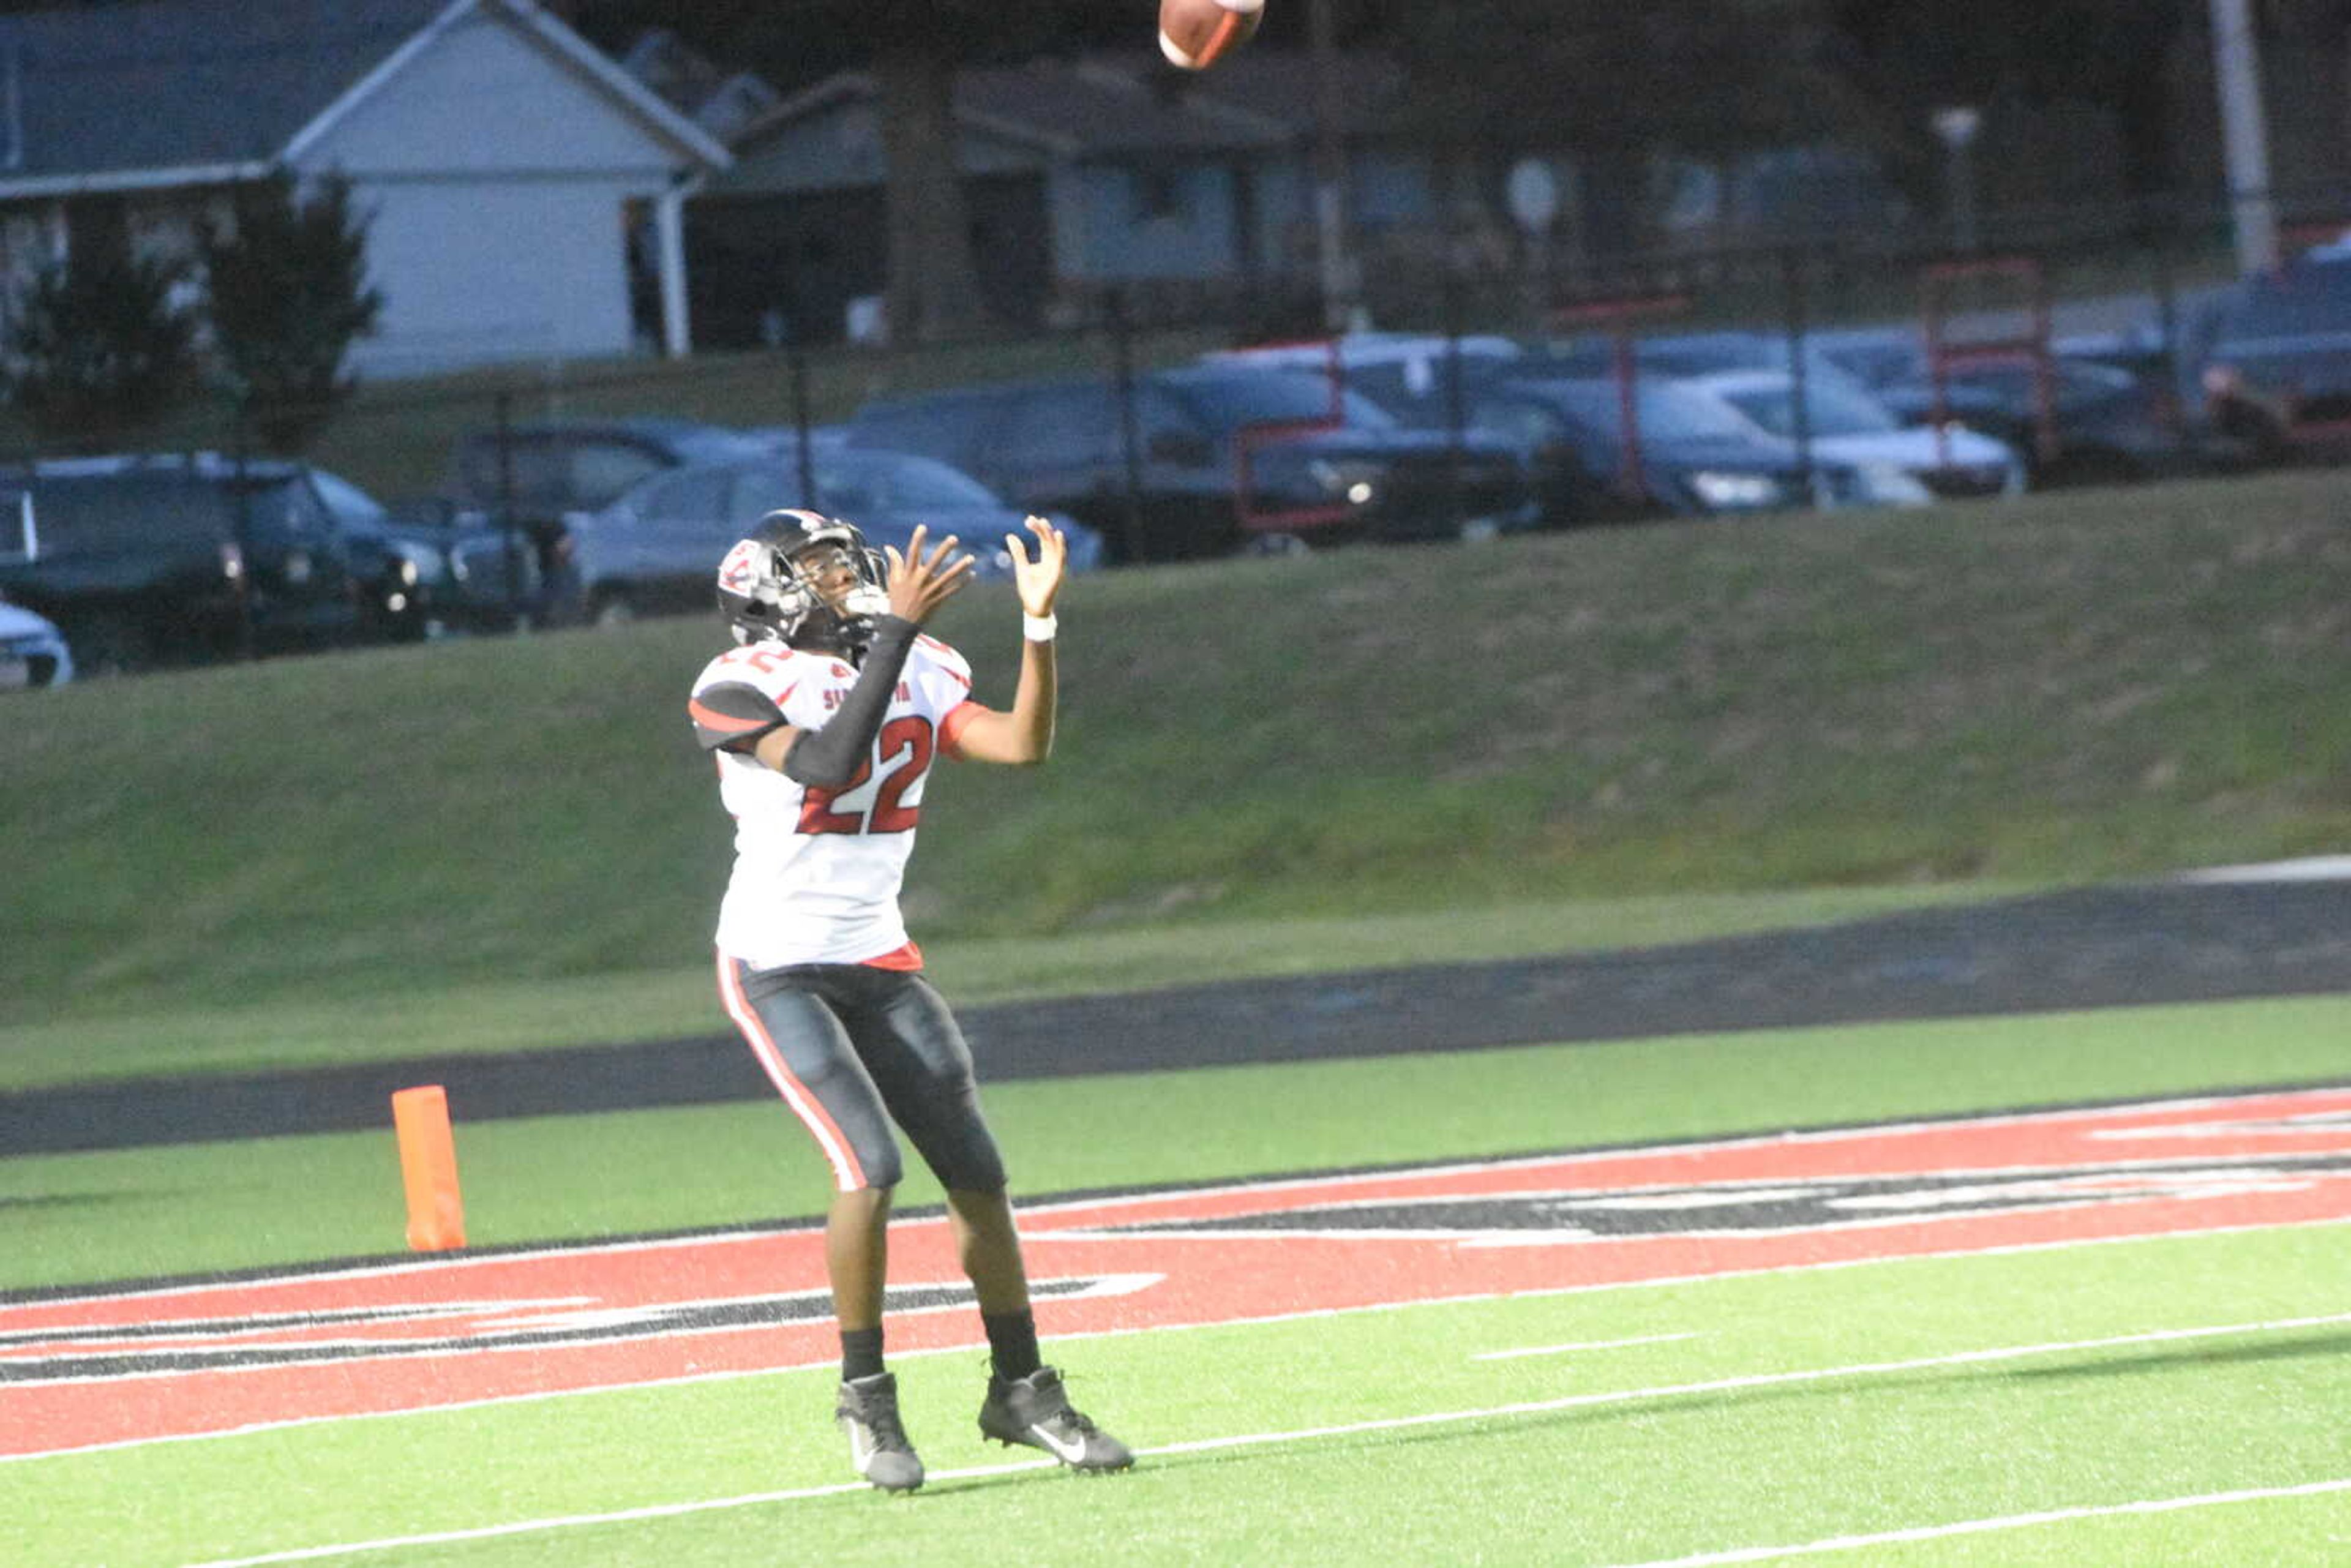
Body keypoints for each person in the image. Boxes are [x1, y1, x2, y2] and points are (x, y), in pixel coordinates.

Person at [686, 507, 1131, 1493]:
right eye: (820, 565)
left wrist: (1039, 628)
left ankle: (1022, 1389)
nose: (847, 573)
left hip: (879, 957)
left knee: (978, 1172)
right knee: (870, 1166)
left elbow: (1021, 746)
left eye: (847, 558)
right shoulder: (734, 683)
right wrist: (891, 638)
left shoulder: (919, 658)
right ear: (766, 586)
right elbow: (823, 762)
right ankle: (866, 1395)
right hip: (777, 961)